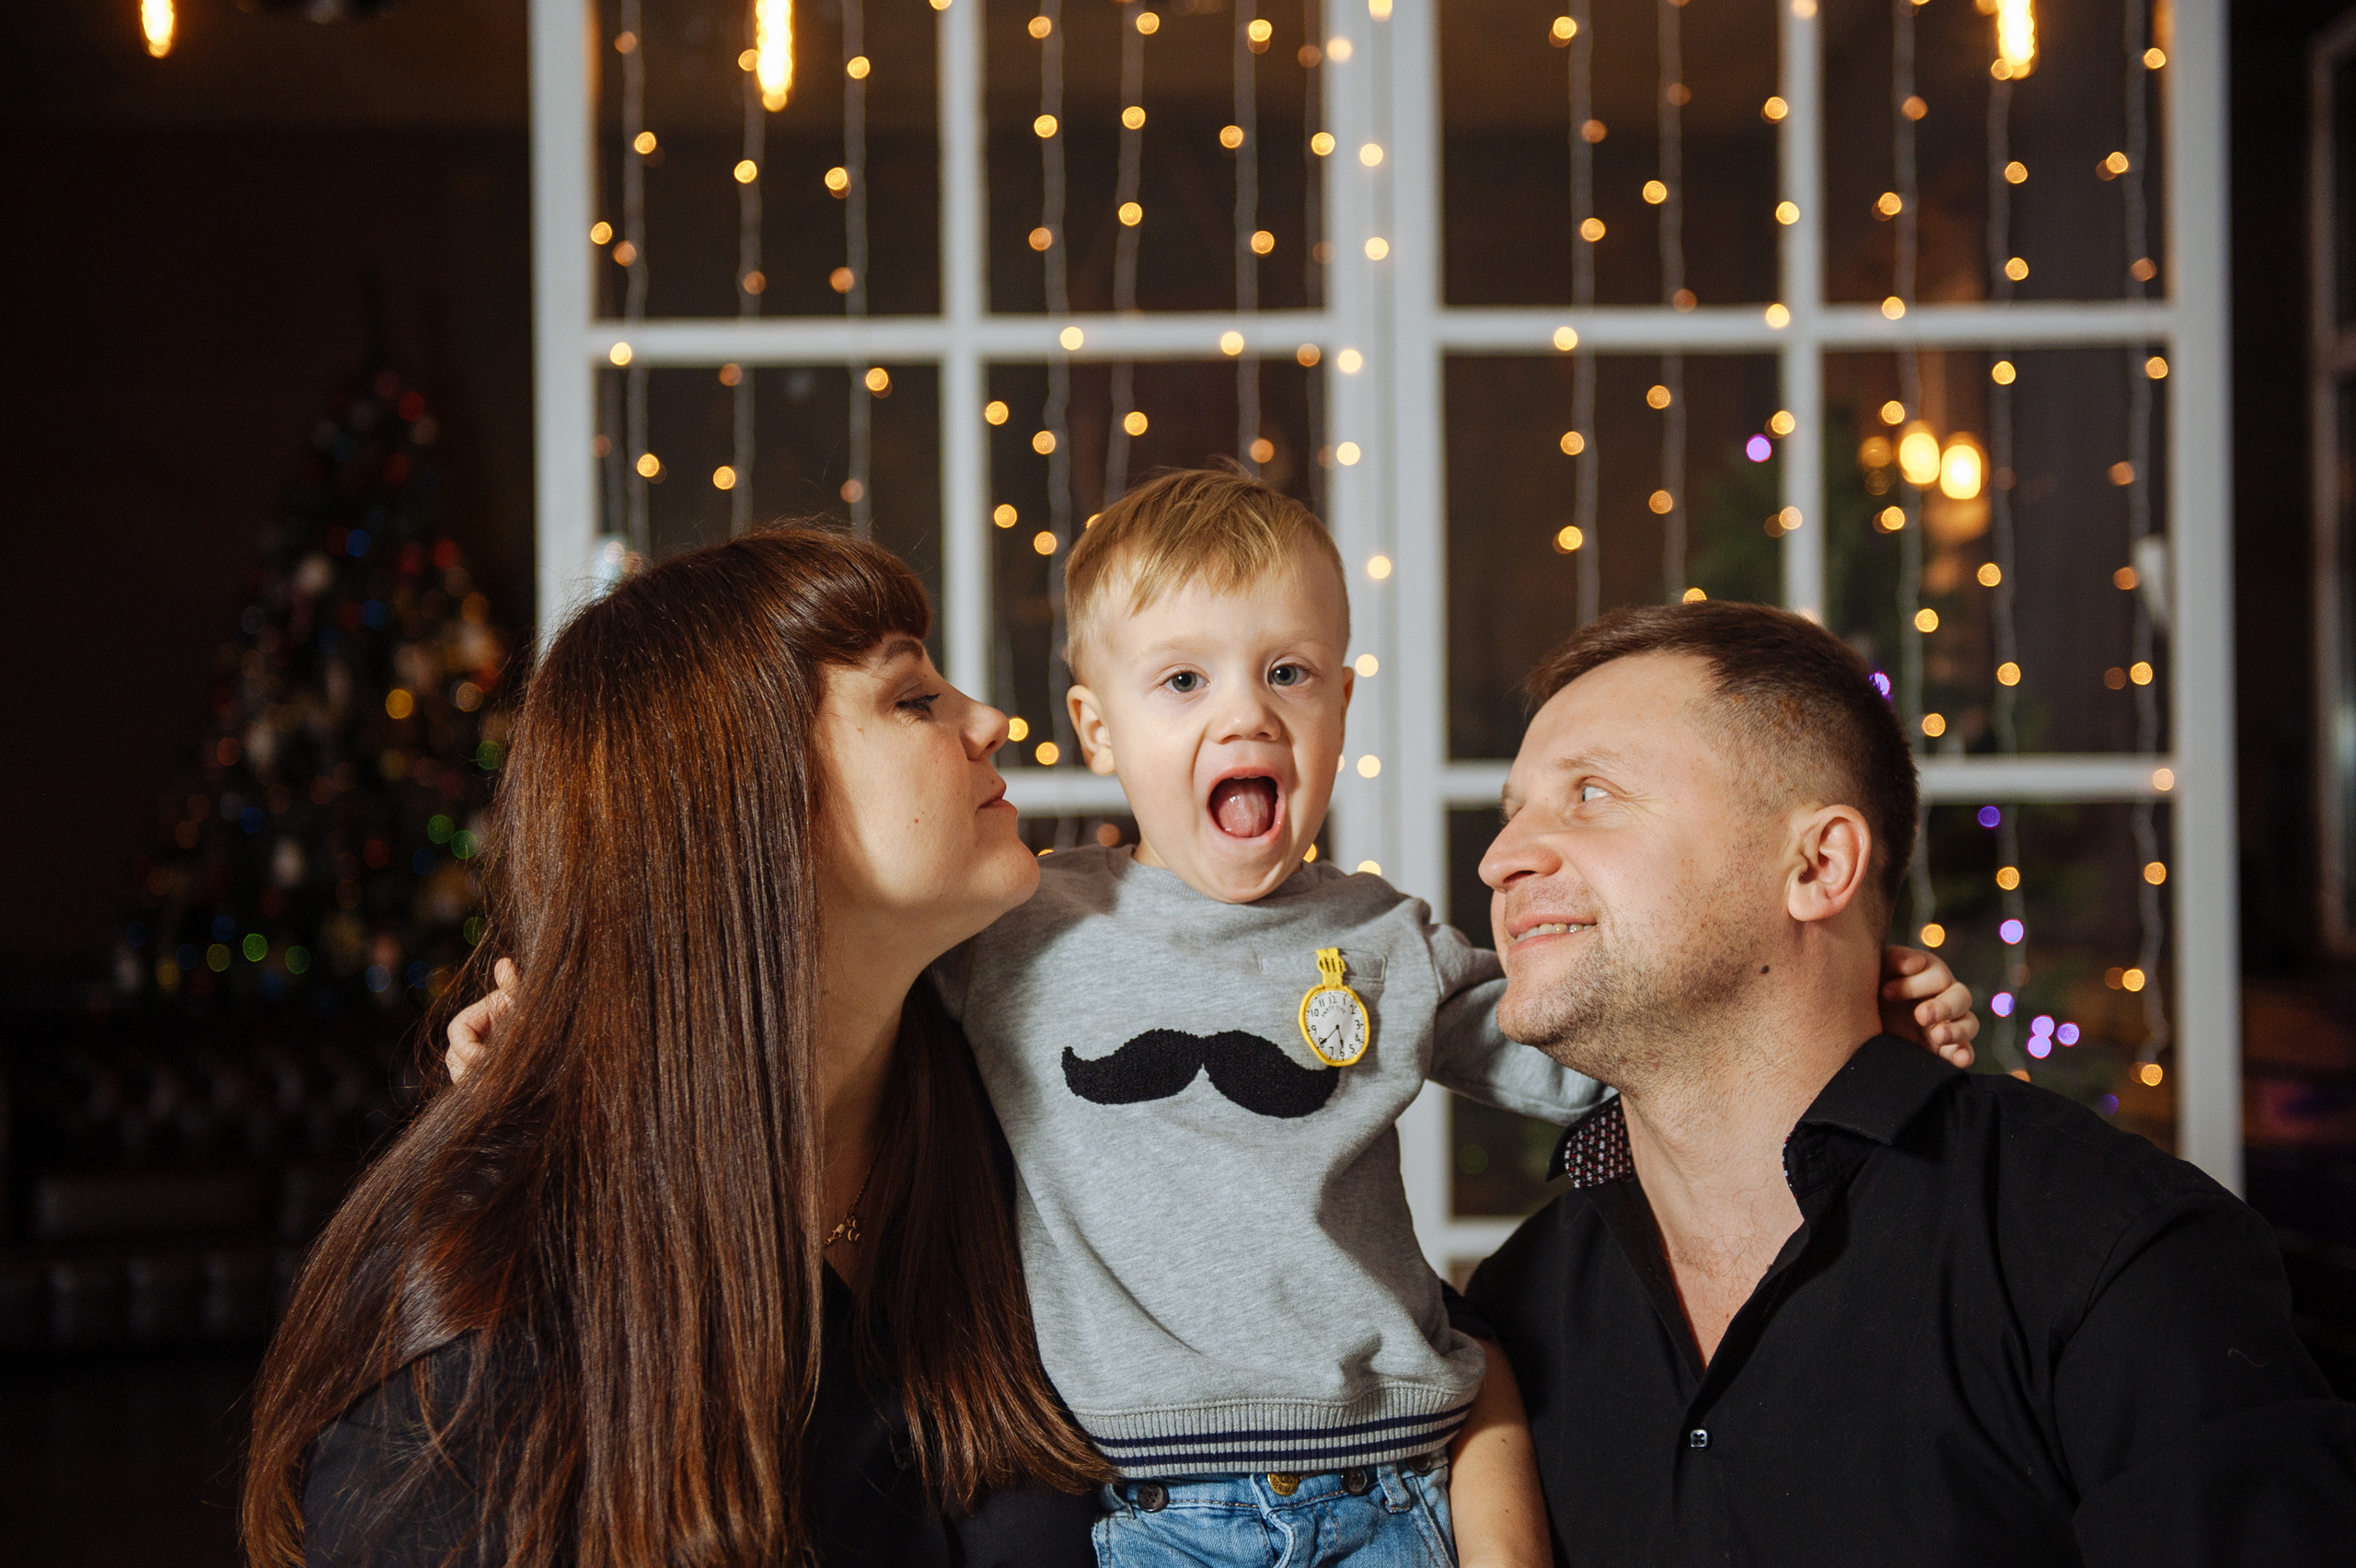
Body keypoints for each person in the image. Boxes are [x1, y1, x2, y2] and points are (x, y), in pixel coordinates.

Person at [926, 471, 1978, 1566]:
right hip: (1158, 1510)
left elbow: (1615, 1050)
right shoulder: (1017, 931)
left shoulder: (1383, 939)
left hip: (1392, 1488)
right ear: (1098, 729)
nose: (1245, 714)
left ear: (1340, 707)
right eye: (1183, 681)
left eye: (1287, 673)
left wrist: (1850, 1005)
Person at [241, 527, 1110, 1568]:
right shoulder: (486, 1354)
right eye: (913, 698)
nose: (990, 720)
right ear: (750, 803)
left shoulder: (1025, 1127)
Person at [1464, 600, 2356, 1565]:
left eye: (1591, 793)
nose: (1500, 859)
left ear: (1818, 864)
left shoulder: (2108, 1252)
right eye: (1514, 814)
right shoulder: (1518, 1313)